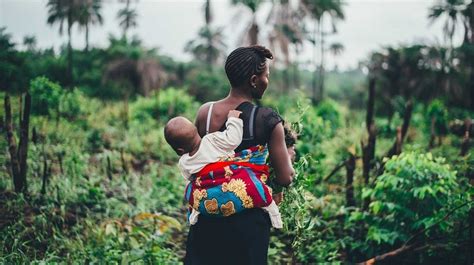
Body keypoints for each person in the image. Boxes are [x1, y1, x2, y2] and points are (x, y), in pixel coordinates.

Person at [184, 45, 295, 265]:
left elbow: (197, 159)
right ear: (254, 80)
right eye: (266, 76)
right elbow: (285, 178)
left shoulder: (205, 113)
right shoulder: (267, 119)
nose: (267, 81)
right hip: (248, 227)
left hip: (208, 217)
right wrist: (288, 159)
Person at [163, 110, 282, 228]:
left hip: (209, 194)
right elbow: (233, 139)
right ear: (196, 129)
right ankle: (274, 214)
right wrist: (233, 119)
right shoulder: (211, 140)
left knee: (191, 189)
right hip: (230, 181)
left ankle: (195, 212)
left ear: (179, 151)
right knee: (253, 185)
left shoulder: (184, 162)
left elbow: (191, 178)